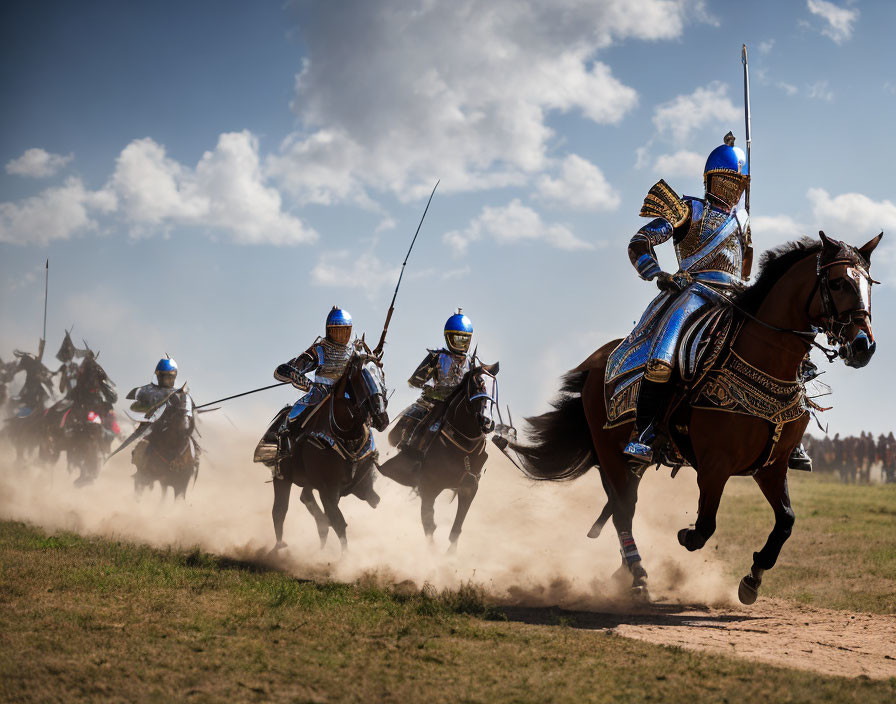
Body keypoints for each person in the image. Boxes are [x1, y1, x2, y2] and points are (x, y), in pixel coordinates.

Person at [254, 306, 355, 468]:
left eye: (344, 331)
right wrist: (298, 377)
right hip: (318, 395)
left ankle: (368, 453)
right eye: (336, 331)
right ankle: (279, 450)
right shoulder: (319, 350)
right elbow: (293, 368)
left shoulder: (354, 351)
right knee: (291, 416)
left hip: (347, 396)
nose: (341, 335)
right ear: (329, 331)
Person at [391, 309, 492, 458]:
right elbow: (416, 381)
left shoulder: (473, 362)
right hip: (434, 402)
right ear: (448, 337)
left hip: (461, 406)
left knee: (482, 430)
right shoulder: (436, 357)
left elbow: (481, 390)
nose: (460, 343)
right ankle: (405, 452)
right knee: (409, 421)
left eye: (464, 339)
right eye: (457, 339)